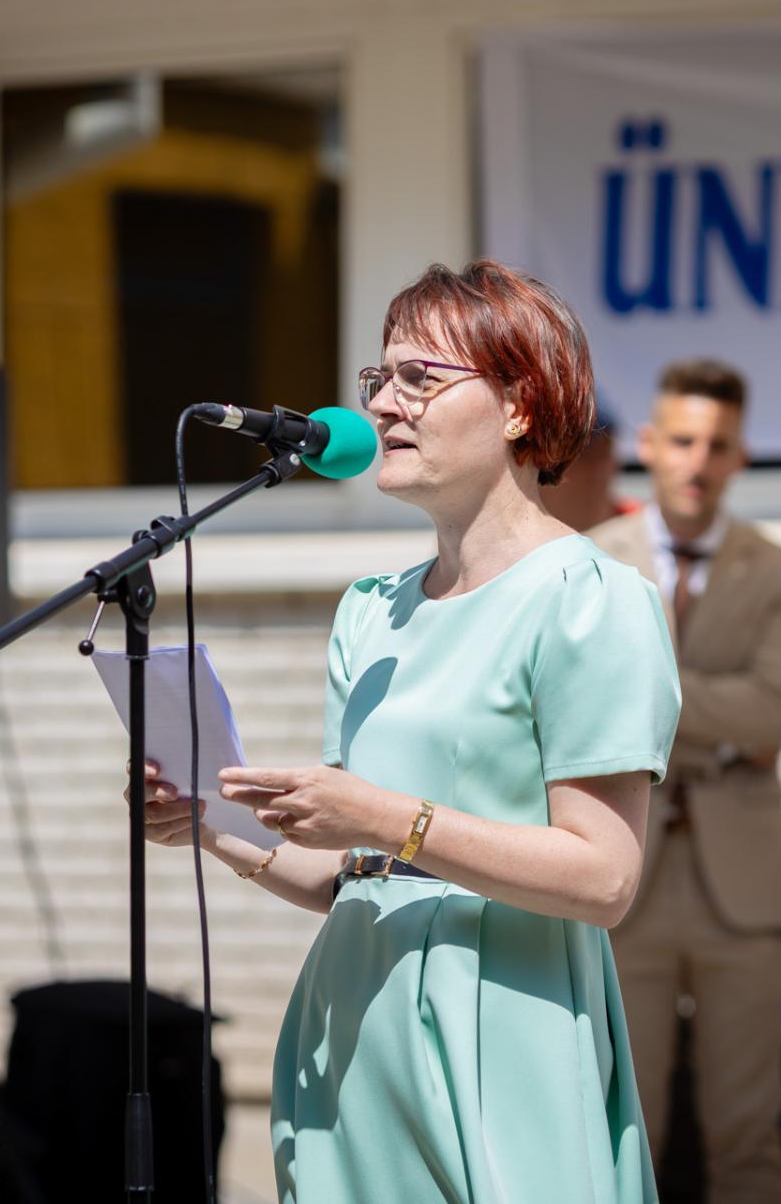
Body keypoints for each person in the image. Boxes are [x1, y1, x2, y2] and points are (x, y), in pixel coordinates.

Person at [130, 260, 682, 1203]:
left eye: (420, 378)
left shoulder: (592, 600)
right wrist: (211, 822)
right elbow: (356, 877)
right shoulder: (371, 610)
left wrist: (386, 817)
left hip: (504, 1030)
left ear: (520, 406)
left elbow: (604, 879)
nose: (385, 404)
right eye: (378, 379)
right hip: (355, 1024)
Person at [589, 359, 781, 1204]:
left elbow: (771, 711)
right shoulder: (588, 559)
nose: (698, 461)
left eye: (717, 445)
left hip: (744, 882)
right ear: (648, 445)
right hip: (621, 867)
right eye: (683, 441)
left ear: (741, 456)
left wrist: (644, 696)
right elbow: (576, 703)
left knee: (746, 1130)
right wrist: (721, 728)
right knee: (619, 1125)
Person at [543, 396, 641, 532]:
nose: (598, 470)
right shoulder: (518, 531)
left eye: (605, 452)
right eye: (583, 453)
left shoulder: (642, 526)